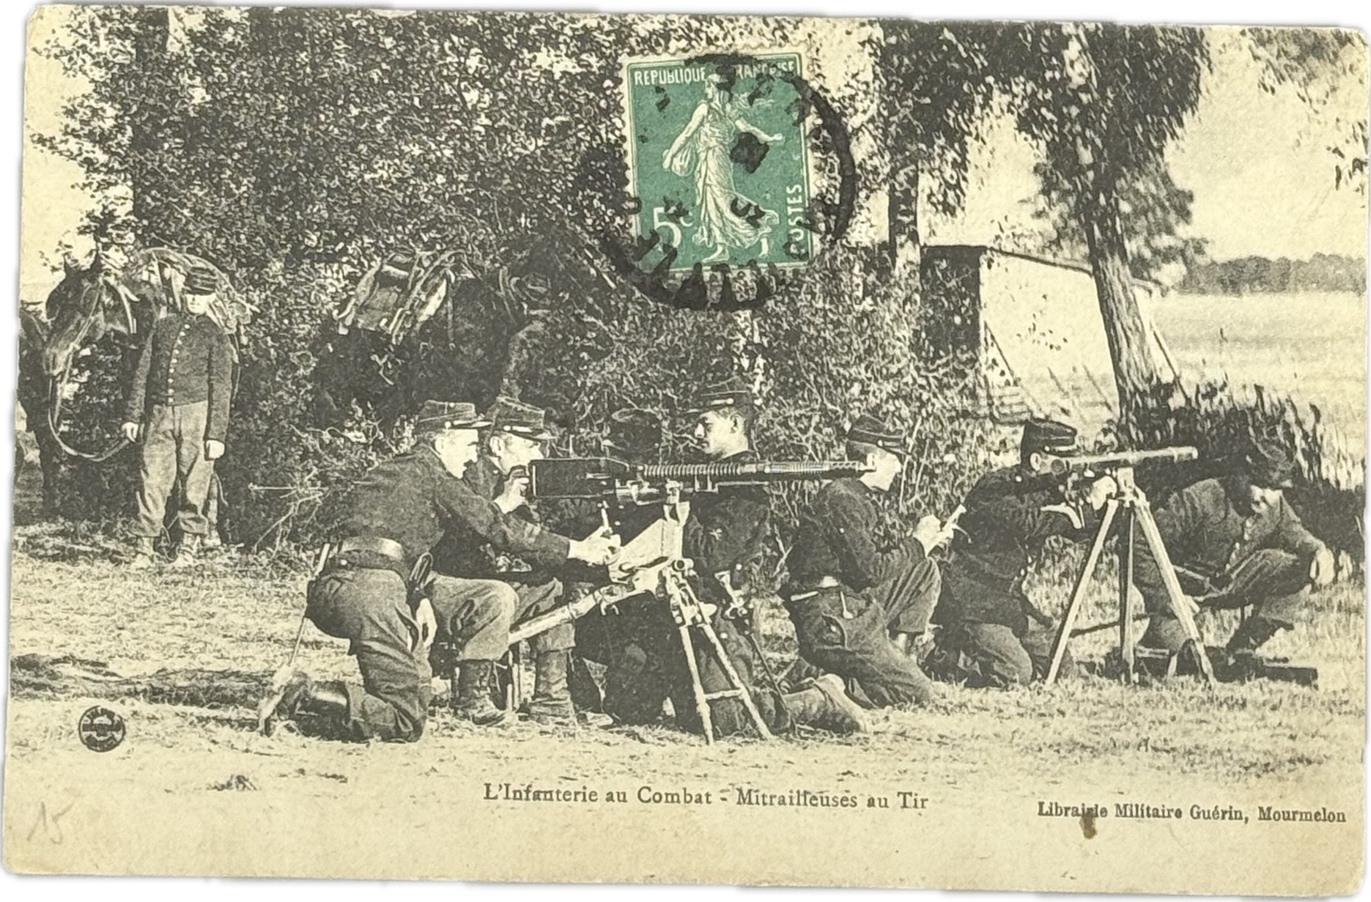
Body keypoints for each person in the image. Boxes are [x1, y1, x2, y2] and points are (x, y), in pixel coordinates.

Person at [263, 401, 619, 741]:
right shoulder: (436, 476)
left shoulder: (393, 470)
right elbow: (495, 528)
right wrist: (580, 549)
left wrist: (416, 596)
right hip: (375, 594)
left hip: (352, 584)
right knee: (406, 720)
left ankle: (307, 704)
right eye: (467, 444)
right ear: (441, 439)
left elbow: (392, 540)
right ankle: (305, 695)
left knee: (418, 694)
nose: (470, 455)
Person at [429, 397, 620, 724]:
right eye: (532, 446)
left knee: (551, 589)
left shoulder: (503, 478)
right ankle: (473, 696)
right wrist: (575, 549)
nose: (539, 456)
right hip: (451, 584)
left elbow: (527, 535)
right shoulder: (468, 474)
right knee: (532, 588)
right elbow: (485, 536)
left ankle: (551, 697)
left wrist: (578, 545)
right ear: (501, 445)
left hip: (479, 583)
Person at [780, 413, 951, 709]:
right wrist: (918, 543)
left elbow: (873, 563)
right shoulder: (843, 499)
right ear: (872, 460)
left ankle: (886, 662)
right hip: (832, 616)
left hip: (845, 604)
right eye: (893, 458)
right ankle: (833, 684)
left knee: (923, 570)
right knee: (922, 696)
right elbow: (871, 570)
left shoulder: (852, 495)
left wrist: (919, 549)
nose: (899, 467)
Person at [929, 418, 1116, 688]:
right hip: (972, 601)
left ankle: (989, 647)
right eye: (1061, 463)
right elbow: (1029, 523)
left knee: (1062, 669)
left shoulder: (1043, 489)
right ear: (1038, 460)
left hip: (1008, 600)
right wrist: (1087, 506)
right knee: (1016, 673)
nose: (1066, 472)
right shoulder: (996, 488)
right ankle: (942, 655)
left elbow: (1077, 532)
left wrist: (1106, 506)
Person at [1133, 438, 1334, 672]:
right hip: (1184, 594)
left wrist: (1320, 551)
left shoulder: (1273, 506)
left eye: (1277, 489)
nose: (1268, 497)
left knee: (1298, 570)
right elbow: (1139, 540)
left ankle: (1242, 648)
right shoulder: (1200, 498)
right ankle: (1160, 646)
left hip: (1232, 584)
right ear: (1241, 475)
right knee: (1180, 657)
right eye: (1261, 485)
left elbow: (1294, 531)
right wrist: (1165, 597)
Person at [120, 264, 234, 567]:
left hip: (197, 416)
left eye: (202, 294)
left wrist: (216, 435)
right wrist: (133, 415)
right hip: (159, 415)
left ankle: (188, 548)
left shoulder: (216, 336)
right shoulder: (165, 326)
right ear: (183, 293)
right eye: (191, 293)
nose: (195, 299)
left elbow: (222, 388)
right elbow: (143, 371)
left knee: (195, 483)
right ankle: (144, 548)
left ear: (211, 298)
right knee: (151, 479)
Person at [662, 73, 783, 264]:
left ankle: (758, 229)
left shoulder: (705, 109)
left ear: (716, 89)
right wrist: (768, 138)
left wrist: (670, 156)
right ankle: (726, 245)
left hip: (713, 159)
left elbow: (687, 134)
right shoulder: (727, 108)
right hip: (716, 159)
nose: (706, 90)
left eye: (709, 87)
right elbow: (747, 128)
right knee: (717, 201)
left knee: (720, 199)